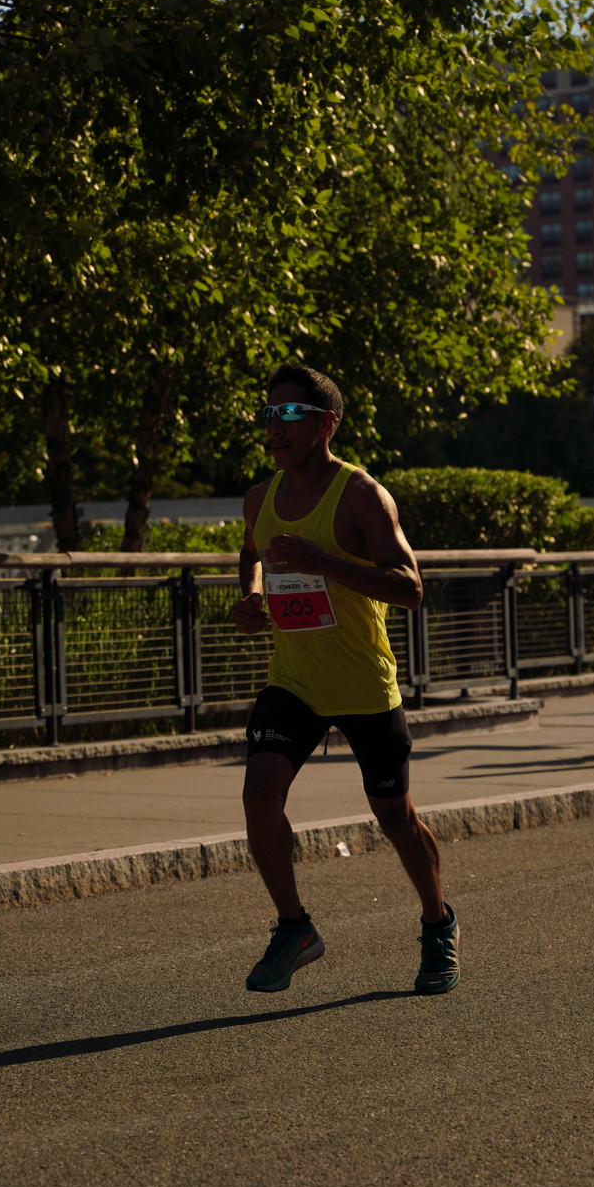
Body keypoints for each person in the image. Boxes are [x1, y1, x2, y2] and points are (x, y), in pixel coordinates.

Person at [232, 363, 459, 995]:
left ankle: (438, 922)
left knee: (395, 819)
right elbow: (252, 552)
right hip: (294, 679)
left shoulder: (361, 495)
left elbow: (410, 588)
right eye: (269, 414)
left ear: (325, 424)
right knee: (258, 796)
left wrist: (323, 561)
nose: (274, 427)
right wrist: (252, 597)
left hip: (362, 683)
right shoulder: (259, 498)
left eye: (289, 414)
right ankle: (294, 928)